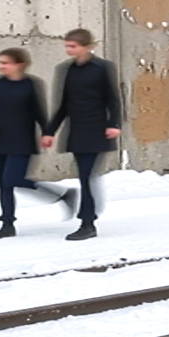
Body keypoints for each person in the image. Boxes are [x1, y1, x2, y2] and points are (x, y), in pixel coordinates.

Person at [0, 48, 67, 238]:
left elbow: (39, 110)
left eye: (5, 63)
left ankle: (60, 195)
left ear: (19, 64)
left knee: (12, 179)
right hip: (0, 139)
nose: (1, 66)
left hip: (23, 140)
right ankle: (7, 225)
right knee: (3, 184)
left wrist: (47, 132)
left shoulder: (31, 84)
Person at [44, 28, 123, 240]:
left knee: (87, 176)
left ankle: (88, 223)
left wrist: (113, 123)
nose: (68, 50)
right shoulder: (65, 69)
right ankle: (89, 214)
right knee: (85, 176)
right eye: (67, 46)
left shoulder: (103, 68)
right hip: (76, 129)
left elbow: (113, 99)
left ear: (87, 46)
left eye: (73, 46)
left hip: (97, 129)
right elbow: (63, 105)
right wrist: (50, 131)